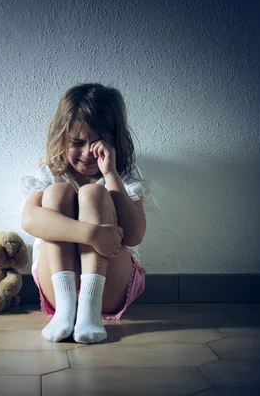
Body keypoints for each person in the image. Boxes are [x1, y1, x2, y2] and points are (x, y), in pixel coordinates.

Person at [20, 83, 157, 344]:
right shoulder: (52, 173)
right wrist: (92, 234)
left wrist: (111, 176)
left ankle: (90, 310)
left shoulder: (124, 175)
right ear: (62, 138)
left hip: (111, 287)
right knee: (57, 194)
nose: (87, 153)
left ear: (114, 141)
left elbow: (136, 235)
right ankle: (66, 310)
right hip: (58, 287)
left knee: (94, 194)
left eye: (97, 144)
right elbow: (29, 220)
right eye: (78, 142)